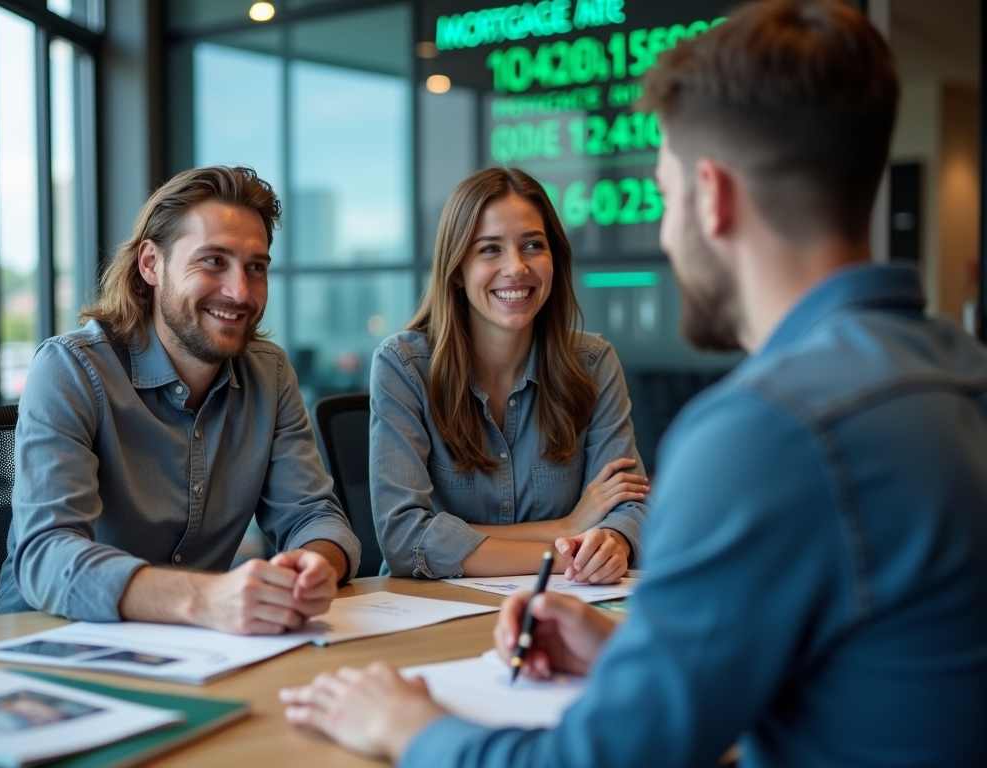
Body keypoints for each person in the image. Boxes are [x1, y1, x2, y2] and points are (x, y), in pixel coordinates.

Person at [278, 1, 987, 765]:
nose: (665, 229)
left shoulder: (766, 431)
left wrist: (409, 727)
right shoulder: (956, 371)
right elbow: (832, 665)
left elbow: (599, 759)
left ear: (711, 197)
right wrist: (624, 651)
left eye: (666, 193)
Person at [0, 166, 362, 635]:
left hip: (195, 651)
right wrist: (204, 598)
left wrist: (313, 567)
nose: (239, 291)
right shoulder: (70, 370)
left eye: (256, 267)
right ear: (151, 264)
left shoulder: (271, 374)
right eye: (212, 261)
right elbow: (47, 555)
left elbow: (313, 515)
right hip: (43, 649)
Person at [370, 166, 649, 583]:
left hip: (563, 607)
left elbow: (628, 503)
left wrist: (611, 542)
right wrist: (564, 535)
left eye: (533, 245)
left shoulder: (593, 363)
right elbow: (406, 540)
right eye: (489, 249)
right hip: (435, 614)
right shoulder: (404, 366)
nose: (516, 268)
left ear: (554, 259)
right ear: (457, 269)